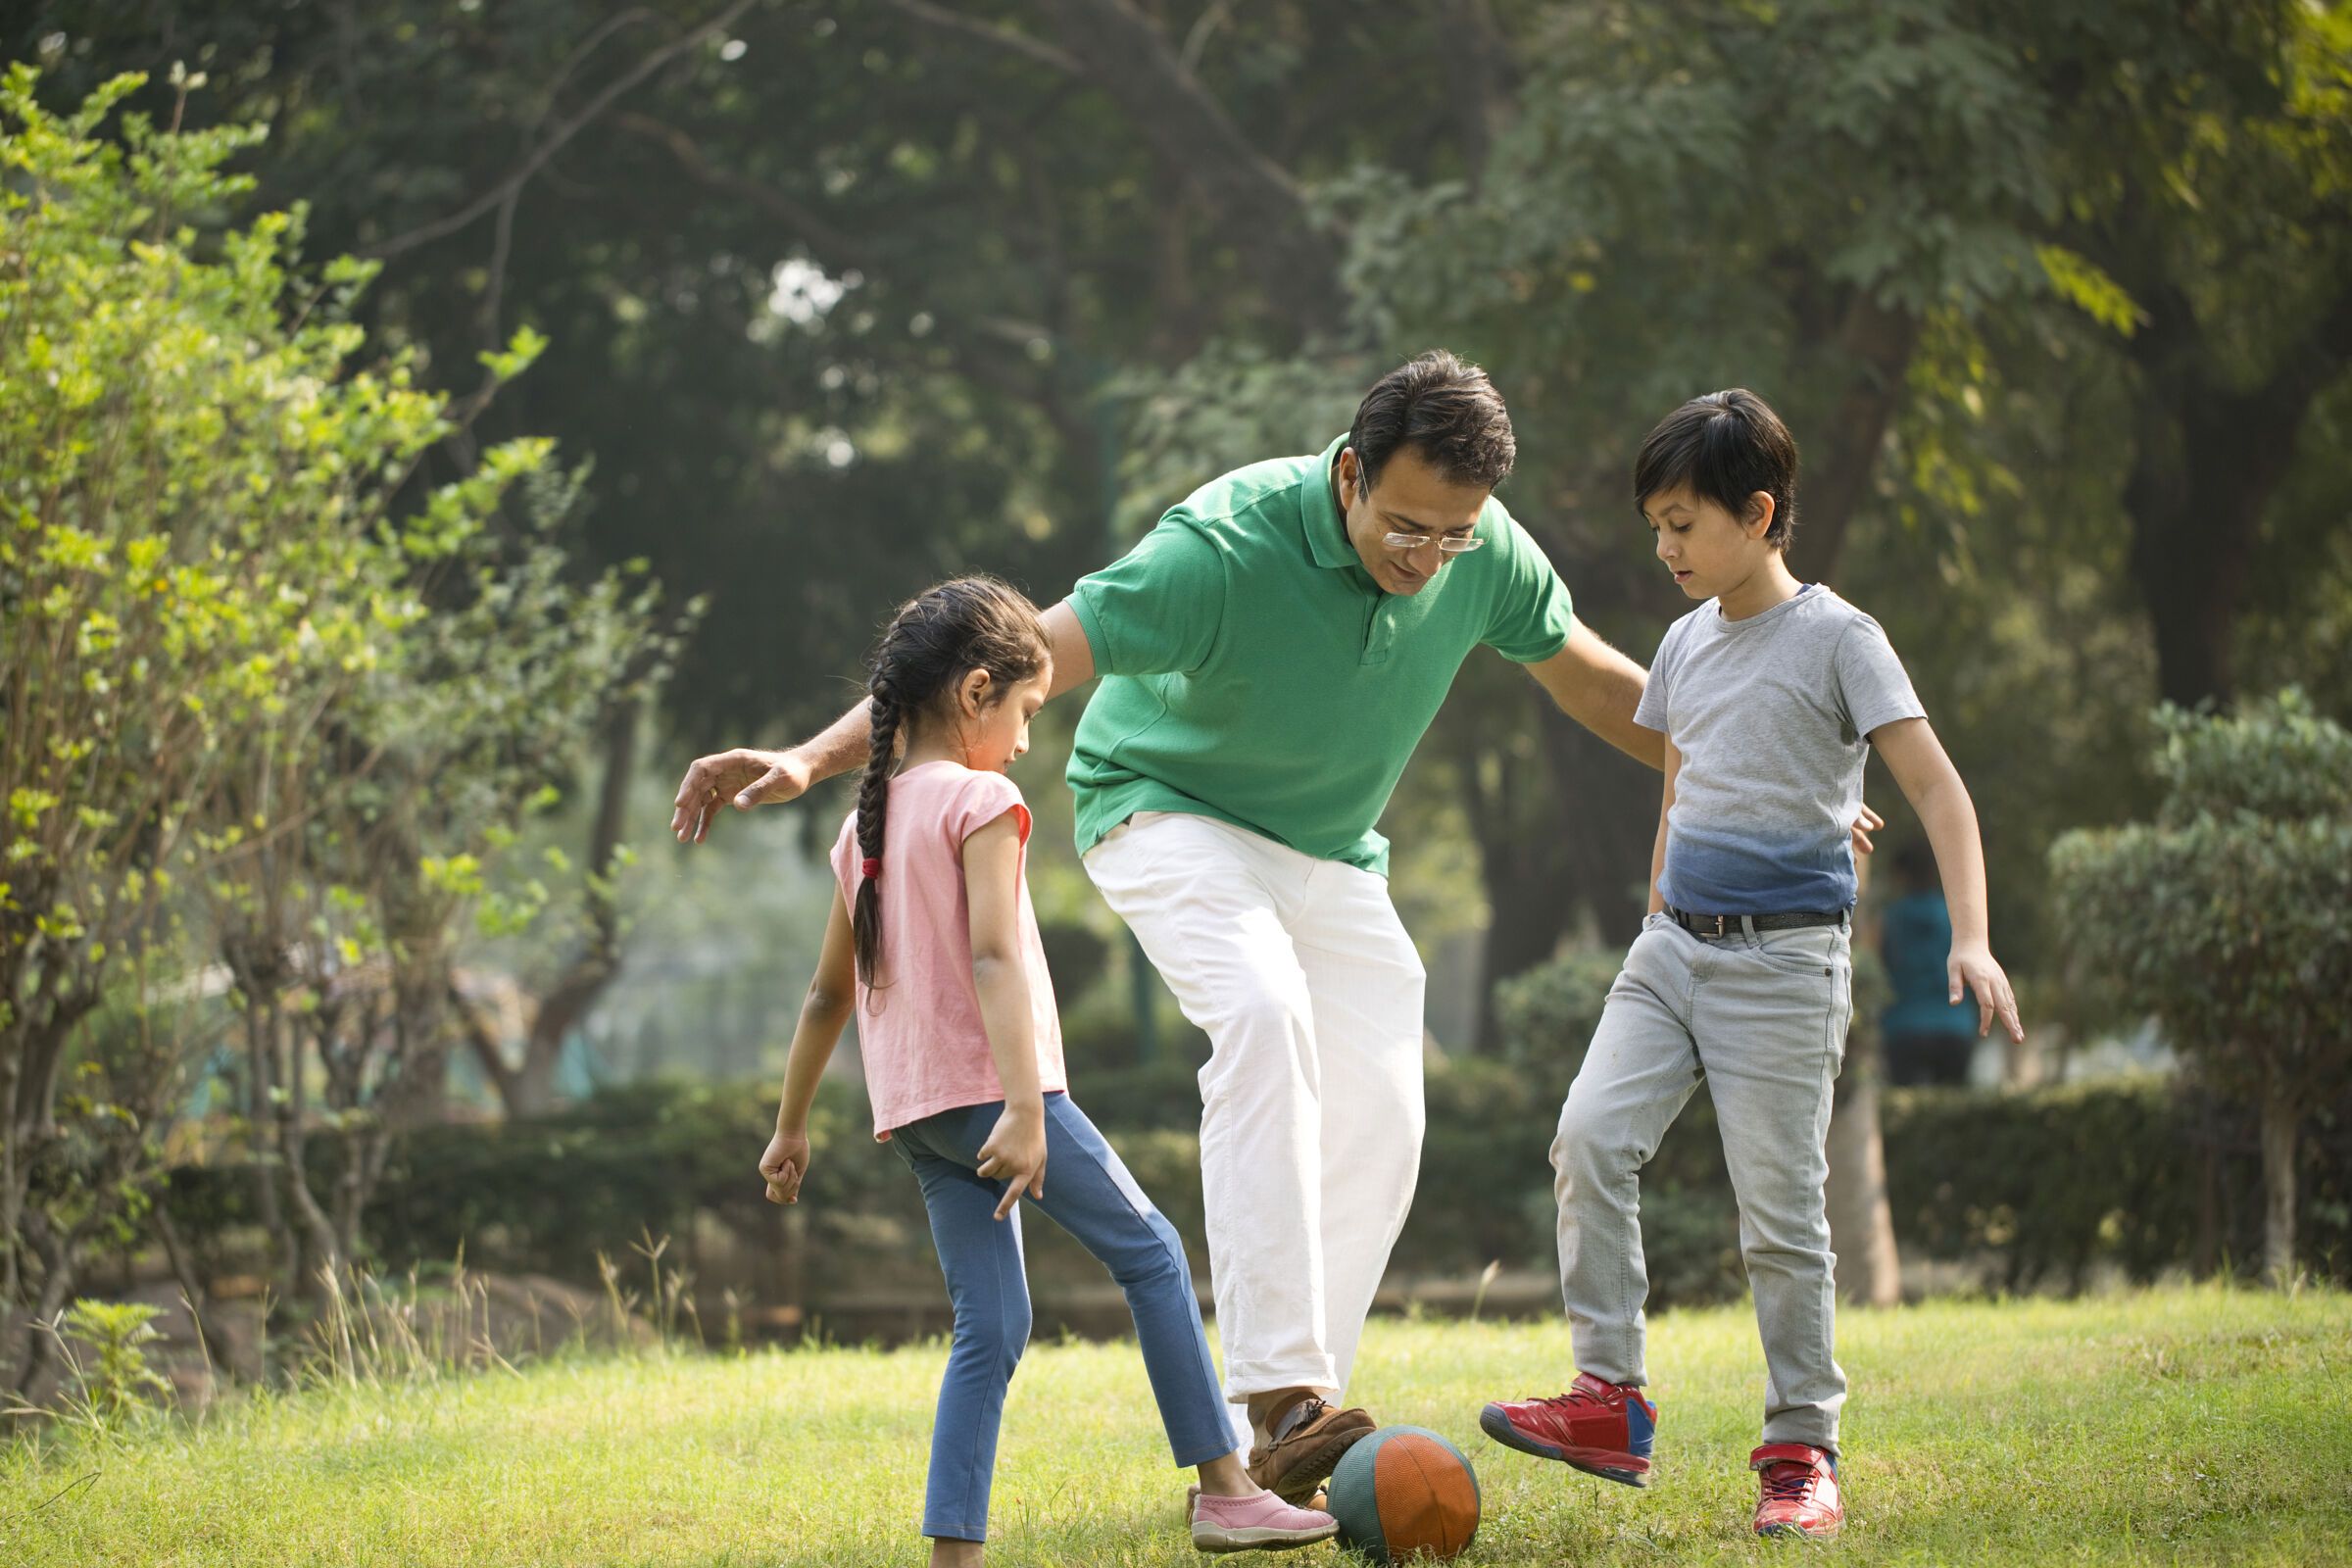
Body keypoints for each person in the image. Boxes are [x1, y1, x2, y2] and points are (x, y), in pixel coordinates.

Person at [684, 353, 1870, 1506]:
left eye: (1456, 534)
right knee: (1259, 1011)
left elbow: (1604, 687)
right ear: (1350, 474)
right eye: (1408, 527)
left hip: (1331, 852)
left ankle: (1307, 1424)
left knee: (1384, 1101)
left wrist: (1778, 774)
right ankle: (1281, 1398)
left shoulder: (1481, 550)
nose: (1431, 560)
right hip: (1164, 811)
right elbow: (1002, 661)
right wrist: (811, 755)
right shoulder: (1223, 548)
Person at [1477, 389, 2025, 1540]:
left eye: (1682, 523)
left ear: (1759, 512)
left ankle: (1800, 1449)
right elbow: (1687, 788)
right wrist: (1652, 916)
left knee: (1779, 1219)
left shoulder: (1840, 638)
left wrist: (1969, 934)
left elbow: (1937, 787)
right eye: (1656, 526)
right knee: (1587, 1137)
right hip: (1672, 949)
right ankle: (1609, 1397)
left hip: (1785, 968)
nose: (1665, 548)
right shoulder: (1682, 643)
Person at [755, 577, 1336, 1561]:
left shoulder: (866, 822)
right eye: (1026, 711)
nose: (1028, 740)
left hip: (917, 1113)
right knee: (1150, 1252)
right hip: (993, 1098)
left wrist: (791, 1123)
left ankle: (955, 1550)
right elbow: (993, 956)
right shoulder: (983, 798)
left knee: (993, 1324)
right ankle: (1226, 1489)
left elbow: (825, 995)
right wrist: (1025, 1107)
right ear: (977, 691)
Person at [1877, 839, 1982, 1085]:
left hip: (1903, 1026)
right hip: (1954, 1024)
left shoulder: (1891, 919)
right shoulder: (1955, 916)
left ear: (1901, 875)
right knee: (1950, 1115)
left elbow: (1881, 966)